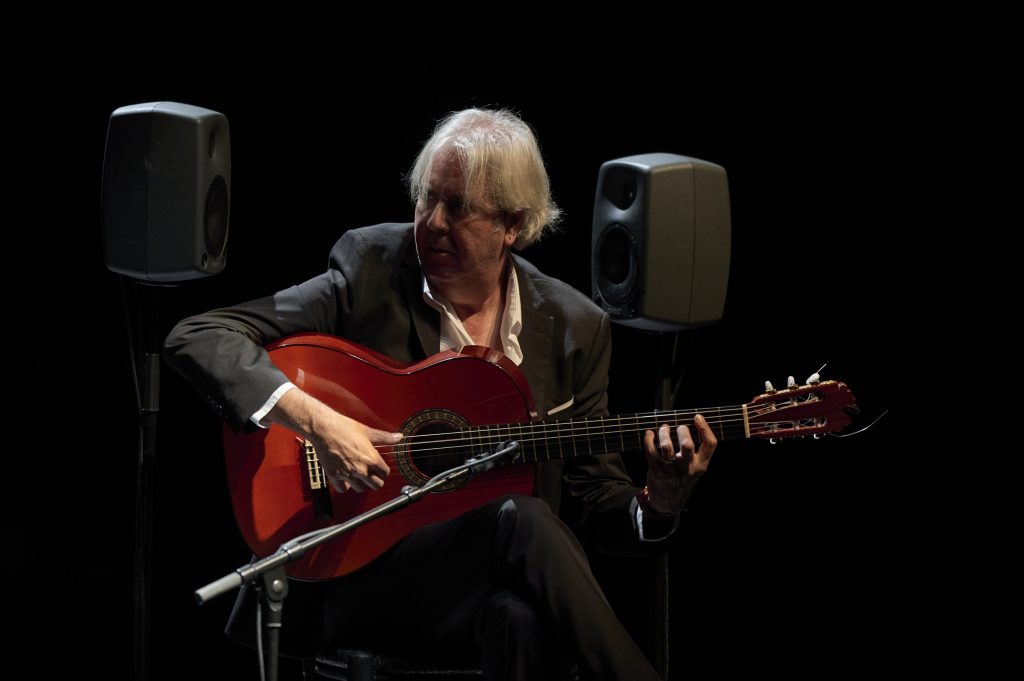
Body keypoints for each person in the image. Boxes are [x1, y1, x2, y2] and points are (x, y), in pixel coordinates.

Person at [164, 107, 717, 681]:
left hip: (475, 589)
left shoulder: (576, 328)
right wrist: (319, 424)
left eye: (458, 207)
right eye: (426, 197)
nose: (431, 222)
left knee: (519, 616)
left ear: (512, 224)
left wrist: (659, 505)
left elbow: (593, 498)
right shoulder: (373, 269)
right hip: (355, 573)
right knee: (521, 520)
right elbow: (198, 335)